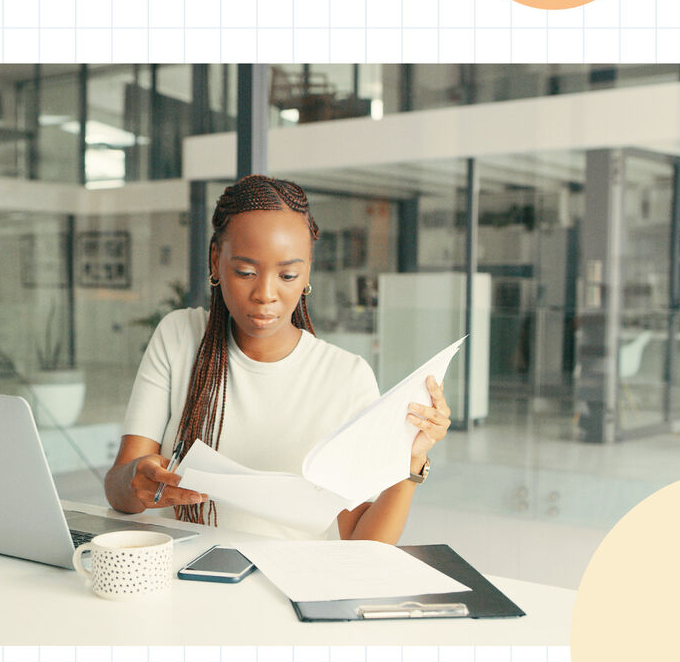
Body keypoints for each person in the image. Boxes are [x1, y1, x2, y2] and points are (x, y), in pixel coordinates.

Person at [103, 175, 451, 543]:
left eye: (287, 274)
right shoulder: (179, 337)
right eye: (246, 272)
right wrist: (136, 481)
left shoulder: (346, 377)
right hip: (180, 579)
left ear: (307, 272)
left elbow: (364, 545)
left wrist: (409, 462)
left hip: (287, 589)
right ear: (216, 259)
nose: (265, 294)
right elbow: (119, 489)